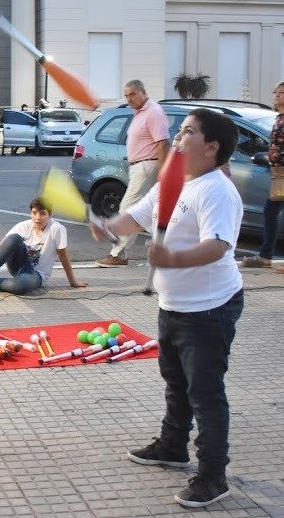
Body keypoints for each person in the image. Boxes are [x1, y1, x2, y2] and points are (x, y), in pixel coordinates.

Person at [90, 108, 243, 509]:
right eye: (179, 130)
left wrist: (171, 259)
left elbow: (218, 246)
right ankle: (173, 445)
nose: (176, 136)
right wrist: (106, 226)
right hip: (173, 304)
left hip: (210, 309)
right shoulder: (172, 181)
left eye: (188, 131)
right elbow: (137, 219)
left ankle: (213, 476)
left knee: (205, 393)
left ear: (211, 148)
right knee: (176, 382)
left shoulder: (216, 190)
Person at [96, 79, 170, 267]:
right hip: (140, 167)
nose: (129, 99)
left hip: (148, 166)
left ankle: (119, 255)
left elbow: (162, 144)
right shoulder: (140, 113)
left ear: (143, 92)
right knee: (148, 212)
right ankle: (164, 251)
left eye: (132, 94)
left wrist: (162, 174)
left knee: (127, 211)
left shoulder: (153, 112)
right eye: (126, 95)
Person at [0, 197, 88, 297]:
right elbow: (0, 246)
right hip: (17, 265)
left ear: (50, 215)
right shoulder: (23, 226)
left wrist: (73, 282)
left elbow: (63, 257)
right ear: (30, 213)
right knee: (13, 238)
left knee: (19, 287)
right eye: (34, 213)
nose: (38, 218)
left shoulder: (57, 229)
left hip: (35, 274)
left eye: (43, 214)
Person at [240, 81, 284, 274]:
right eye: (275, 92)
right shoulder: (280, 117)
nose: (277, 95)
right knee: (271, 213)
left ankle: (279, 259)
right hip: (278, 173)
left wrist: (275, 157)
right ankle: (265, 256)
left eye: (282, 93)